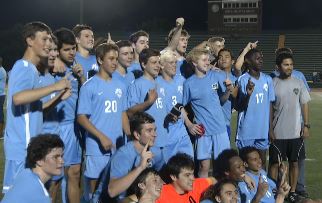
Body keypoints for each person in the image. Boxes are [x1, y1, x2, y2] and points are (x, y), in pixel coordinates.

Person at [2, 22, 70, 193]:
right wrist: (54, 87)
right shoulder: (23, 67)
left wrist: (59, 96)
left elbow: (36, 110)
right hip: (22, 148)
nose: (48, 44)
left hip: (28, 147)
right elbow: (18, 98)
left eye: (49, 39)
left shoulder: (31, 70)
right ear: (30, 41)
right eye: (44, 39)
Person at [77, 43, 129, 201]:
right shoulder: (89, 86)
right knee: (94, 187)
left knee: (115, 187)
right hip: (97, 146)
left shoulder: (120, 84)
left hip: (117, 145)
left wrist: (128, 138)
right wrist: (101, 137)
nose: (115, 62)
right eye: (111, 59)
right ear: (100, 60)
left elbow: (123, 113)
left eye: (116, 59)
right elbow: (81, 117)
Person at [269, 53, 310, 203]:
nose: (289, 67)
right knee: (274, 163)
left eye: (291, 64)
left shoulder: (298, 83)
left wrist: (306, 125)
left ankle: (292, 192)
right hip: (278, 132)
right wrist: (270, 129)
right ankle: (272, 190)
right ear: (278, 67)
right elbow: (270, 108)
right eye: (286, 64)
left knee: (294, 162)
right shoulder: (272, 82)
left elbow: (304, 104)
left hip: (295, 132)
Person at [183, 48, 230, 177]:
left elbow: (222, 100)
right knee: (204, 167)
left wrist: (228, 91)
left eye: (208, 60)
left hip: (220, 129)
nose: (207, 62)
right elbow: (181, 107)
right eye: (203, 60)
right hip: (203, 132)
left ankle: (223, 193)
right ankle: (202, 195)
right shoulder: (188, 83)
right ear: (194, 63)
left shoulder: (215, 75)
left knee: (224, 165)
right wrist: (189, 124)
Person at [53, 27, 85, 203]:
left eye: (73, 48)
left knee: (74, 174)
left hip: (73, 128)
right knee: (54, 180)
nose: (72, 52)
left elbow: (86, 97)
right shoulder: (51, 68)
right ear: (57, 50)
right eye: (66, 49)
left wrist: (81, 78)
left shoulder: (76, 68)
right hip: (55, 127)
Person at [127, 48, 169, 168]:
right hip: (148, 142)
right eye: (153, 62)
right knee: (147, 178)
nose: (158, 66)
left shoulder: (161, 83)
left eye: (159, 62)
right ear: (144, 64)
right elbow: (130, 112)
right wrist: (148, 102)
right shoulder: (137, 85)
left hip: (164, 139)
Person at [108, 112, 162, 201]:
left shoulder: (156, 151)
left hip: (137, 197)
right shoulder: (123, 155)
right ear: (137, 135)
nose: (155, 134)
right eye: (149, 131)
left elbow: (163, 175)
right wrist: (140, 167)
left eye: (154, 130)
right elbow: (112, 191)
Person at [235, 48, 275, 169]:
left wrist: (271, 129)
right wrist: (247, 94)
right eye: (257, 58)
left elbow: (270, 104)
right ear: (248, 61)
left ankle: (263, 186)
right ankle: (245, 187)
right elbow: (239, 107)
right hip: (247, 130)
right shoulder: (242, 80)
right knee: (245, 164)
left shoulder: (267, 79)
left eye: (261, 58)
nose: (261, 60)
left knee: (262, 163)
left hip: (262, 129)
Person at [156, 49, 195, 160]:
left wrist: (189, 124)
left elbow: (180, 106)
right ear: (162, 66)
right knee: (170, 172)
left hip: (182, 134)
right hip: (165, 135)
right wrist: (167, 116)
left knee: (189, 165)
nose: (174, 66)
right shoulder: (156, 83)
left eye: (175, 62)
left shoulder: (181, 80)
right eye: (171, 63)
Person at [2, 134, 64, 203]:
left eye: (61, 156)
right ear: (39, 160)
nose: (62, 161)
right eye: (55, 157)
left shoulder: (24, 174)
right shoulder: (41, 197)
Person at [216, 48, 238, 139]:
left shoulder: (236, 79)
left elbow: (235, 96)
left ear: (232, 61)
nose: (223, 59)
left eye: (226, 57)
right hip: (210, 122)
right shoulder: (211, 75)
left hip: (225, 123)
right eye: (220, 57)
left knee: (224, 153)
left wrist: (230, 89)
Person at [0, 56, 7, 138]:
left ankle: (1, 132)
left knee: (0, 114)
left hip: (0, 95)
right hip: (1, 94)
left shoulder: (1, 71)